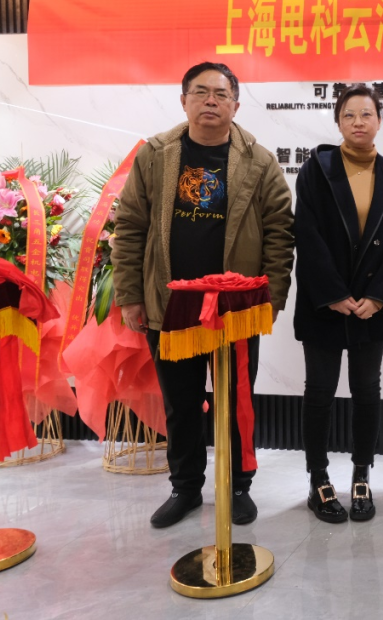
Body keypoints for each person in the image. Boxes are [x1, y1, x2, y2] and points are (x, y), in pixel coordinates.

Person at [113, 61, 295, 529]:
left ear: (236, 104)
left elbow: (280, 232)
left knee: (236, 401)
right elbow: (129, 226)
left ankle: (237, 487)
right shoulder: (156, 155)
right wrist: (130, 294)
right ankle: (186, 488)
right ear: (183, 101)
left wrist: (271, 298)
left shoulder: (259, 160)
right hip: (171, 305)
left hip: (235, 307)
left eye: (220, 94)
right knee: (181, 402)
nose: (210, 101)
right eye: (200, 92)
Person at [293, 84, 383, 523]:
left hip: (370, 305)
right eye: (349, 115)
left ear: (379, 121)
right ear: (338, 122)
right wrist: (334, 293)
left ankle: (362, 475)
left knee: (366, 391)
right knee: (319, 392)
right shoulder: (316, 169)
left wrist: (378, 297)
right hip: (325, 302)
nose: (358, 122)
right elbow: (307, 234)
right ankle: (318, 480)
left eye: (366, 114)